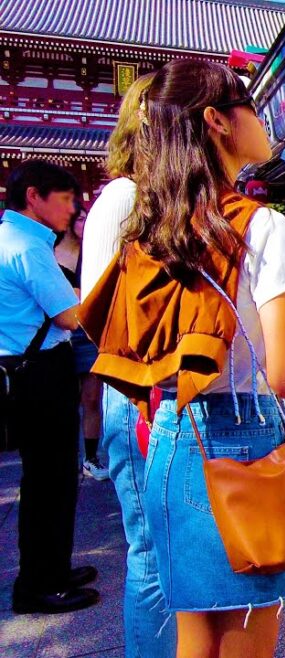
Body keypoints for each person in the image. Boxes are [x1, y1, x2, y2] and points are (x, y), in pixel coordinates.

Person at [80, 59, 285, 657]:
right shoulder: (263, 228)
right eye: (249, 106)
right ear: (217, 120)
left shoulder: (151, 231)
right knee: (247, 630)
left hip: (171, 437)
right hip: (246, 441)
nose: (261, 120)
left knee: (194, 632)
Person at [78, 72, 177, 655]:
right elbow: (98, 312)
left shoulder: (160, 195)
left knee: (172, 545)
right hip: (139, 388)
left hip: (169, 389)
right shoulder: (123, 197)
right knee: (149, 548)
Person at [1, 160, 99, 614]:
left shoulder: (15, 239)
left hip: (28, 369)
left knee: (49, 478)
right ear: (34, 196)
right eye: (65, 200)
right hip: (40, 372)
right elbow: (67, 315)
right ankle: (38, 585)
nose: (72, 210)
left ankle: (53, 569)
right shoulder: (26, 245)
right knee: (50, 481)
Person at [55, 203, 110, 480]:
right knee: (64, 400)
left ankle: (90, 457)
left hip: (86, 331)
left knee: (91, 397)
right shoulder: (49, 250)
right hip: (57, 332)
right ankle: (66, 457)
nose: (81, 223)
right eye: (77, 219)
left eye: (84, 218)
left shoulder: (92, 251)